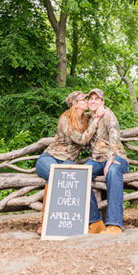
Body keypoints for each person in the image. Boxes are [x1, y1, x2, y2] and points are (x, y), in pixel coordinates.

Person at [35, 91, 105, 233]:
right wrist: (95, 122)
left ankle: (93, 222)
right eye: (83, 99)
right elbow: (80, 139)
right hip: (49, 158)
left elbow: (88, 139)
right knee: (56, 176)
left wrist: (100, 113)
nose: (87, 101)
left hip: (68, 161)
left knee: (73, 176)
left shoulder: (86, 119)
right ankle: (45, 223)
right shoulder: (65, 119)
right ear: (75, 103)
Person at [85, 88, 129, 234]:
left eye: (97, 99)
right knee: (82, 175)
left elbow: (114, 135)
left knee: (112, 172)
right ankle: (96, 221)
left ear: (102, 102)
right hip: (97, 160)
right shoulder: (89, 118)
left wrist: (111, 158)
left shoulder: (108, 114)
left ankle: (114, 224)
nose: (93, 101)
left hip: (116, 157)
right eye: (91, 99)